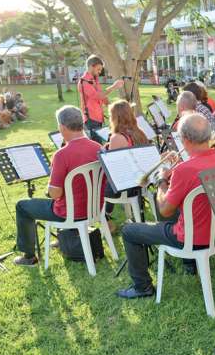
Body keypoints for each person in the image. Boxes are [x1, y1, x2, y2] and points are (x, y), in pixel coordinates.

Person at [116, 114, 215, 298]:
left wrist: (162, 180)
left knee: (129, 230)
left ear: (184, 140)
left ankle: (141, 287)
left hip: (191, 238)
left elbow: (164, 210)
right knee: (181, 206)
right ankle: (189, 264)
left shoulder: (183, 170)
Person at [13, 106, 102, 266]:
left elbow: (54, 194)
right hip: (94, 209)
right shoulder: (98, 147)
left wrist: (48, 189)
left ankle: (28, 257)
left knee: (22, 206)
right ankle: (63, 238)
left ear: (61, 127)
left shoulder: (62, 155)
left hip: (69, 213)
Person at [104, 100, 149, 232]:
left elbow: (114, 168)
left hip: (127, 185)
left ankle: (106, 219)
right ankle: (109, 216)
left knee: (95, 185)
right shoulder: (139, 132)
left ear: (115, 118)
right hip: (141, 182)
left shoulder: (117, 137)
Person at [78, 55, 124, 143]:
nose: (99, 72)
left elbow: (103, 97)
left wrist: (113, 108)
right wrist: (113, 87)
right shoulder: (84, 82)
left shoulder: (95, 79)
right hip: (91, 119)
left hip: (98, 117)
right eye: (98, 69)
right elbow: (98, 96)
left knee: (102, 143)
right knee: (97, 145)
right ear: (92, 67)